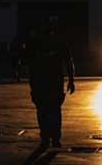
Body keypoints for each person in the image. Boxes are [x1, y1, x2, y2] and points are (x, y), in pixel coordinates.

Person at [25, 17, 76, 149]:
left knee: (44, 111)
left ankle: (47, 138)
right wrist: (71, 80)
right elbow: (69, 62)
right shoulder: (57, 42)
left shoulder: (35, 42)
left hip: (43, 81)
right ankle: (53, 138)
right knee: (53, 110)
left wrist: (71, 80)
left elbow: (27, 62)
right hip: (50, 81)